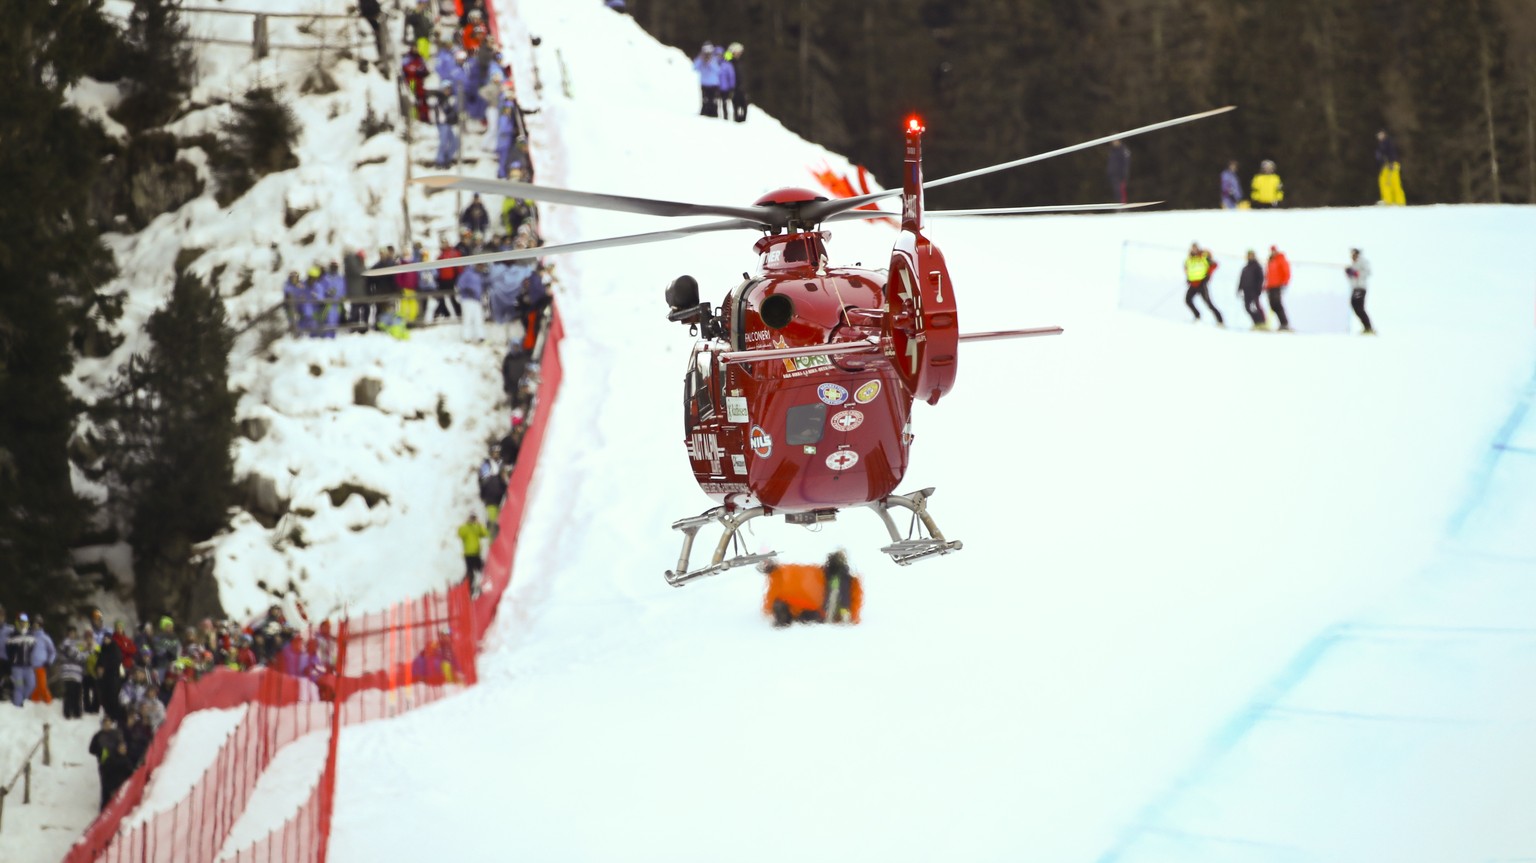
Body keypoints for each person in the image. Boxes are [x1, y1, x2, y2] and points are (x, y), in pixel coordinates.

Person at [1183, 243, 1224, 326]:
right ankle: (1197, 316)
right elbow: (1187, 268)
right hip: (1193, 284)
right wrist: (1188, 278)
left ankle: (1220, 320)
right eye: (1193, 248)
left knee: (1208, 303)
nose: (1194, 250)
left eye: (1196, 248)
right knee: (1187, 300)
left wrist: (1208, 275)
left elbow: (1214, 265)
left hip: (1202, 284)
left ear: (1198, 248)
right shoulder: (1189, 259)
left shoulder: (1204, 257)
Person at [59, 629, 89, 719]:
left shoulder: (79, 644)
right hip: (68, 672)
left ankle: (77, 712)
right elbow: (74, 654)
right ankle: (67, 712)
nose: (72, 635)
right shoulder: (65, 644)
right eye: (70, 633)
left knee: (77, 693)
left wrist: (85, 653)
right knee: (69, 692)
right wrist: (84, 653)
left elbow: (83, 657)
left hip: (77, 673)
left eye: (74, 633)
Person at [458, 513, 490, 596]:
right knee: (473, 571)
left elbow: (485, 534)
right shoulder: (467, 527)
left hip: (473, 553)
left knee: (476, 570)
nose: (473, 520)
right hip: (470, 554)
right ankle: (469, 588)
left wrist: (479, 525)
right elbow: (460, 533)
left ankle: (472, 587)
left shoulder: (475, 527)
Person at [6, 614, 35, 705]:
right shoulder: (12, 635)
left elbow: (33, 650)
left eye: (24, 622)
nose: (23, 624)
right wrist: (11, 662)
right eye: (21, 622)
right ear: (17, 623)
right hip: (17, 667)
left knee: (32, 685)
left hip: (28, 666)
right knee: (19, 686)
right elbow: (9, 651)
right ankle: (18, 706)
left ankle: (22, 700)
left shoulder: (31, 635)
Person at [457, 262, 488, 343]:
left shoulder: (480, 275)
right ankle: (466, 337)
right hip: (467, 299)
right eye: (480, 265)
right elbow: (460, 284)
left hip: (477, 299)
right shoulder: (467, 273)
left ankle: (480, 336)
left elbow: (483, 286)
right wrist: (467, 289)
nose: (481, 267)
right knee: (468, 318)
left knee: (478, 318)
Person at [1346, 247, 1374, 334]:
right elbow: (1352, 278)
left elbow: (1368, 272)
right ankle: (1366, 327)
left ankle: (1368, 327)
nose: (1352, 256)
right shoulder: (1353, 264)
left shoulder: (1363, 262)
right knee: (1355, 306)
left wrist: (1356, 273)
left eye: (1354, 254)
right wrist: (1349, 274)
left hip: (1360, 288)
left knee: (1359, 308)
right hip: (1355, 288)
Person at [1264, 245, 1292, 331]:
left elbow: (1286, 271)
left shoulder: (1280, 259)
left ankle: (1284, 323)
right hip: (1270, 286)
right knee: (1272, 305)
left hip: (1277, 286)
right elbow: (1268, 274)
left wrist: (1285, 282)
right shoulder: (1271, 261)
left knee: (1277, 304)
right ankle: (1281, 323)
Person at [1237, 250, 1267, 329]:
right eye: (1248, 255)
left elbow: (1261, 278)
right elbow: (1241, 279)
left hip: (1254, 291)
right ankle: (1256, 323)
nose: (1249, 257)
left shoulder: (1257, 266)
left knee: (1256, 306)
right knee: (1247, 307)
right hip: (1246, 291)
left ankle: (1262, 322)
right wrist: (1239, 288)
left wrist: (1258, 289)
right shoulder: (1245, 268)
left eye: (1251, 255)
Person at [1375, 130, 1406, 205]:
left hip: (1392, 165)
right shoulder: (1381, 144)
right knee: (1384, 182)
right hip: (1386, 165)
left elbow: (1392, 152)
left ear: (1385, 134)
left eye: (1381, 134)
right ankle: (1388, 201)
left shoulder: (1388, 142)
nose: (1379, 136)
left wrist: (1392, 162)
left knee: (1394, 183)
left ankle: (1400, 202)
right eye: (1378, 135)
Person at [693, 42, 722, 118]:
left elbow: (718, 70)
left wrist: (709, 62)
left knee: (713, 101)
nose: (707, 55)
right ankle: (704, 114)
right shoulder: (700, 59)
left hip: (714, 84)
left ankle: (714, 115)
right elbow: (694, 68)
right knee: (705, 101)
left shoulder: (714, 59)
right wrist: (700, 59)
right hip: (704, 84)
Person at [724, 42, 748, 122]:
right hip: (733, 88)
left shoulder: (741, 62)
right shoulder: (729, 62)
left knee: (744, 105)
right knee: (736, 105)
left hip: (741, 88)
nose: (739, 54)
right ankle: (736, 120)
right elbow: (725, 59)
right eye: (738, 52)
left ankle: (743, 121)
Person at [1106, 140, 1130, 204]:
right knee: (1116, 191)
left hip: (1120, 174)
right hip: (1113, 174)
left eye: (1115, 141)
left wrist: (1124, 174)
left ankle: (1122, 206)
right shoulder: (1112, 150)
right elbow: (1111, 163)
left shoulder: (1123, 150)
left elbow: (1126, 163)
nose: (1114, 142)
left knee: (1121, 190)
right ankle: (1118, 205)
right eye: (1113, 141)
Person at [717, 48, 737, 123]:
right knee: (716, 103)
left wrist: (732, 87)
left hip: (725, 88)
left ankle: (725, 117)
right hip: (717, 87)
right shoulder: (716, 63)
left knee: (725, 103)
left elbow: (731, 76)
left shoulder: (727, 65)